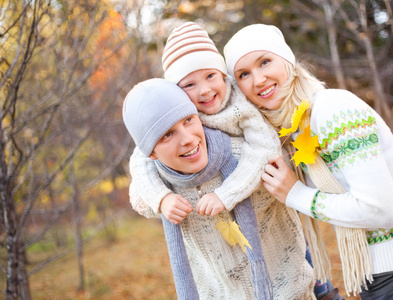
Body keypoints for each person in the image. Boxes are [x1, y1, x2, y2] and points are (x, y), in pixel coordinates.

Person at [128, 22, 317, 300]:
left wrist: (226, 193)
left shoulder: (241, 105)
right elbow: (141, 158)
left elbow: (264, 149)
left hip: (257, 200)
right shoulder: (182, 112)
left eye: (210, 76)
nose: (204, 91)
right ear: (179, 93)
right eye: (190, 84)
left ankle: (320, 284)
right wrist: (162, 198)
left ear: (224, 75)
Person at [224, 23, 393, 299]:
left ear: (287, 60)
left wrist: (297, 194)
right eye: (244, 74)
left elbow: (381, 208)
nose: (258, 80)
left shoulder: (332, 110)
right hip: (374, 274)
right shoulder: (292, 132)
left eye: (265, 62)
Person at [122, 78, 272, 299]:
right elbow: (138, 197)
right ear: (151, 154)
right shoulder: (161, 184)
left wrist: (228, 193)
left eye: (189, 120)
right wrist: (162, 200)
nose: (187, 139)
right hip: (217, 293)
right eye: (167, 134)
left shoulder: (243, 156)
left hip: (281, 286)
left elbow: (271, 159)